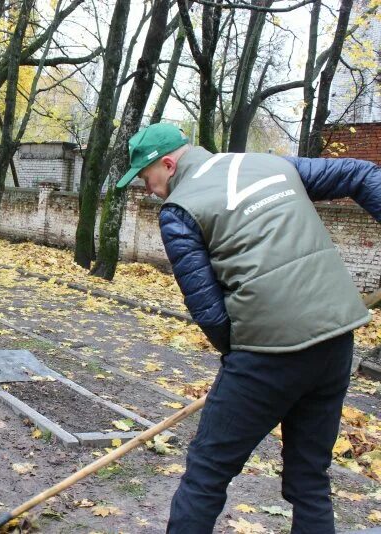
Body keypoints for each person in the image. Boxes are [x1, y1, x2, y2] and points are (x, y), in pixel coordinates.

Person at [115, 123, 381, 534]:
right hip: (336, 340)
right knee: (310, 478)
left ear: (167, 164)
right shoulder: (271, 164)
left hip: (266, 355)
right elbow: (362, 175)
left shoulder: (180, 209)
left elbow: (207, 309)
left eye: (147, 179)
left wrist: (240, 359)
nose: (148, 190)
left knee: (206, 474)